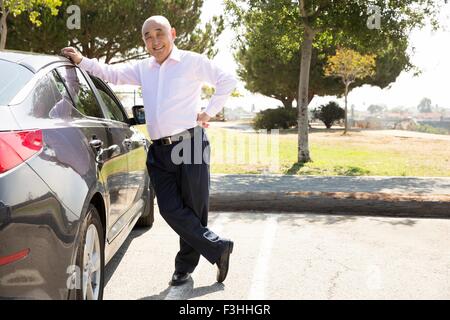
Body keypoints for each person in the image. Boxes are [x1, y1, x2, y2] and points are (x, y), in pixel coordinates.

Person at [62, 15, 237, 286]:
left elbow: (227, 80)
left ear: (173, 34)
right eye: (147, 36)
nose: (154, 40)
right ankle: (218, 247)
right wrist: (82, 60)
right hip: (159, 150)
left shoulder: (192, 61)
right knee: (169, 209)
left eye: (159, 33)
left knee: (192, 209)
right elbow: (112, 74)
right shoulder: (144, 68)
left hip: (189, 143)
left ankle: (184, 267)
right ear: (143, 41)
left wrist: (208, 112)